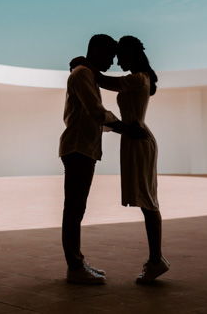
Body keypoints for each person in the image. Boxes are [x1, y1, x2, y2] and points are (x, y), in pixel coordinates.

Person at [93, 36, 169, 284]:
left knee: (148, 201)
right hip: (134, 139)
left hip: (138, 140)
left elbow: (104, 81)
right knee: (148, 201)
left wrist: (84, 65)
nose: (116, 60)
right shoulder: (141, 78)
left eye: (120, 56)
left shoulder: (137, 78)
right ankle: (155, 259)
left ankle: (156, 260)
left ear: (131, 55)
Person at [59, 34, 122, 285]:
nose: (113, 62)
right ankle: (74, 267)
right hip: (78, 149)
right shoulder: (83, 74)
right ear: (96, 51)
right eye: (110, 56)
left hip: (82, 149)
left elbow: (94, 115)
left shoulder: (87, 73)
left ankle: (77, 263)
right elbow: (96, 112)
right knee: (74, 210)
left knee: (76, 209)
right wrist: (125, 128)